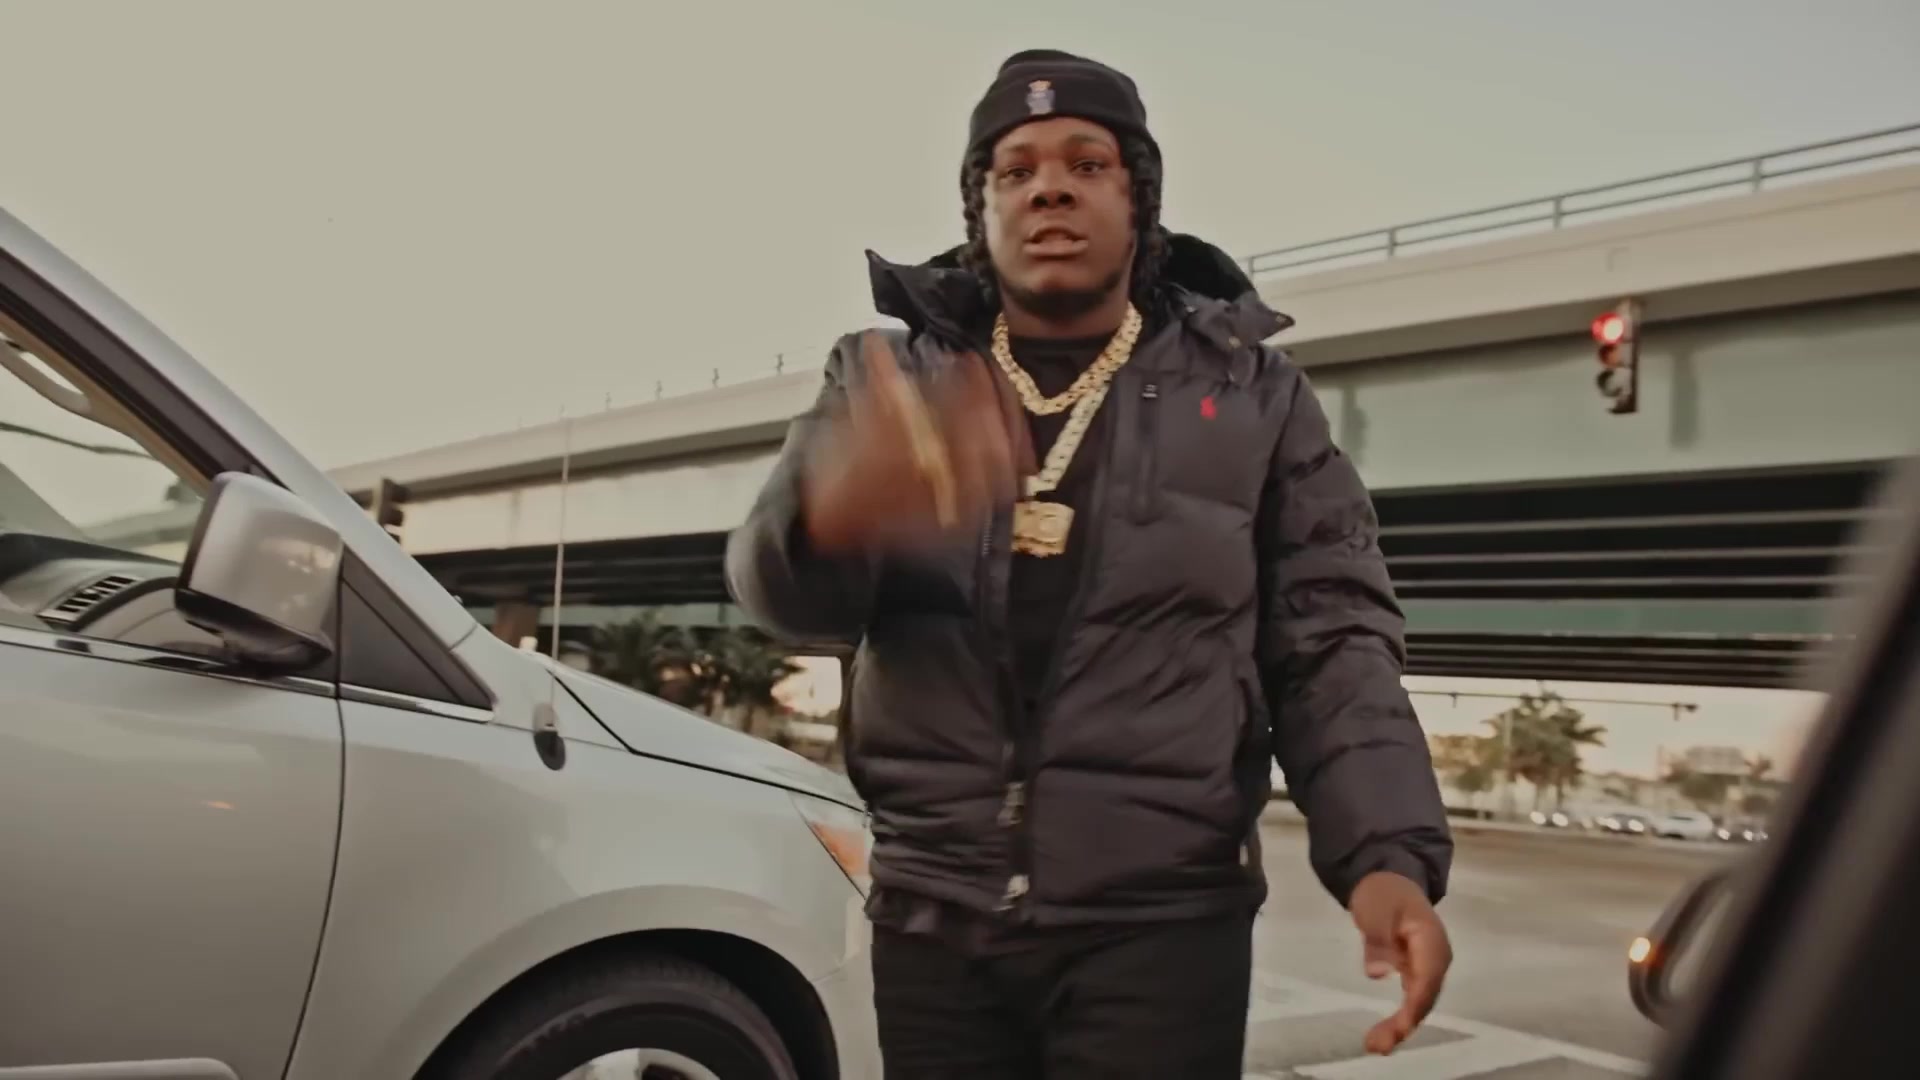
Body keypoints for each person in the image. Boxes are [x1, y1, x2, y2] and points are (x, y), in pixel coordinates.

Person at [727, 48, 1454, 1079]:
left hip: (1165, 925)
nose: (1050, 188)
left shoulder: (1255, 394)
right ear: (981, 207)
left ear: (1138, 199)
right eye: (1015, 170)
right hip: (936, 917)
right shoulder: (883, 376)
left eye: (1087, 163)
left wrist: (1386, 855)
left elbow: (1331, 644)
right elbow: (781, 599)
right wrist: (830, 517)